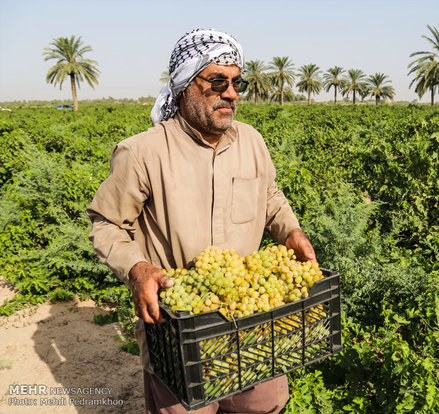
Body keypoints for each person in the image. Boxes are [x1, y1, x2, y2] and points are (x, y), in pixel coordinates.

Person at [86, 28, 317, 414]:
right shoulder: (143, 153)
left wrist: (290, 230)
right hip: (180, 331)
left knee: (263, 405)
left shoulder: (252, 142)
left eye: (237, 82)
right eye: (217, 81)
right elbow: (106, 222)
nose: (231, 93)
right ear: (184, 85)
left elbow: (271, 198)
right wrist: (137, 269)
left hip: (252, 321)